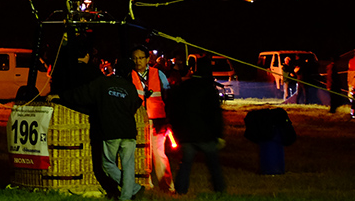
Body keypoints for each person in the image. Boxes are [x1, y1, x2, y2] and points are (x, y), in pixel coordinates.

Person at [49, 60, 144, 200]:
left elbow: (81, 94)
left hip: (111, 131)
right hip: (129, 131)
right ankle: (128, 194)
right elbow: (135, 105)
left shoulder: (102, 83)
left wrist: (61, 96)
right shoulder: (130, 88)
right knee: (128, 165)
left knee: (107, 164)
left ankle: (132, 189)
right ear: (130, 73)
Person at [166, 57, 227, 194]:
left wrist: (177, 130)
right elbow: (215, 113)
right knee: (213, 164)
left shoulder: (185, 86)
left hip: (187, 133)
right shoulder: (208, 89)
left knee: (186, 163)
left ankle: (180, 190)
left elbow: (175, 109)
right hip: (205, 134)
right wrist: (219, 134)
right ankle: (219, 190)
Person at [131, 45, 173, 192]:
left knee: (159, 154)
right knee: (141, 154)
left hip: (157, 120)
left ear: (148, 59)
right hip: (138, 121)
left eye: (141, 58)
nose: (137, 61)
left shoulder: (158, 74)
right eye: (135, 58)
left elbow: (168, 95)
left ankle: (167, 185)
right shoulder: (130, 75)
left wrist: (167, 120)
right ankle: (145, 184)